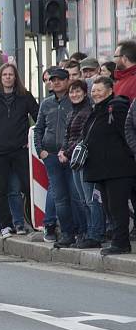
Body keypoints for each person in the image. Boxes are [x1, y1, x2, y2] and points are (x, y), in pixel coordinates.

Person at [0, 63, 39, 239]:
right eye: (4, 74)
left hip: (21, 149)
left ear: (15, 77)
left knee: (28, 188)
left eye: (11, 74)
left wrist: (33, 140)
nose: (7, 77)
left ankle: (31, 222)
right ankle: (5, 225)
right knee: (1, 189)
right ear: (0, 77)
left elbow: (39, 118)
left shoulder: (25, 96)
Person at [82, 76, 136, 255]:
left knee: (117, 207)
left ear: (110, 90)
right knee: (109, 207)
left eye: (99, 90)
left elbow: (126, 133)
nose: (95, 93)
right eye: (93, 90)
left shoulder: (117, 107)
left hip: (118, 168)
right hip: (103, 169)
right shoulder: (96, 110)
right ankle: (117, 240)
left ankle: (121, 243)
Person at [34, 67, 82, 246]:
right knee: (59, 197)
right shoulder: (46, 104)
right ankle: (67, 233)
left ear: (68, 80)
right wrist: (40, 151)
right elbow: (39, 129)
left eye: (60, 79)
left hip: (71, 156)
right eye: (53, 80)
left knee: (75, 195)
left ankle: (80, 231)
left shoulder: (75, 100)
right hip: (52, 156)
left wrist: (71, 151)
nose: (56, 82)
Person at [59, 80, 104, 248]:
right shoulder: (72, 112)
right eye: (71, 92)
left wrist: (67, 152)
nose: (74, 95)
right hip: (74, 161)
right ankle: (88, 233)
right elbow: (67, 135)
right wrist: (63, 150)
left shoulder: (87, 112)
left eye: (78, 91)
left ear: (85, 93)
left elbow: (82, 137)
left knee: (90, 199)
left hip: (84, 160)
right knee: (83, 200)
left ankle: (96, 234)